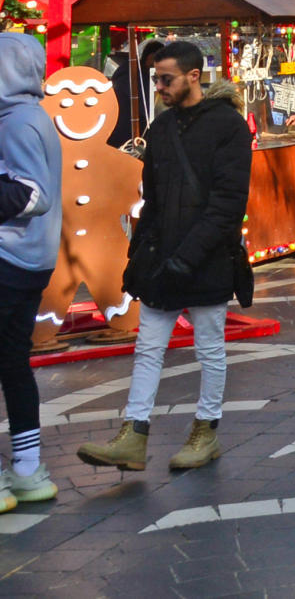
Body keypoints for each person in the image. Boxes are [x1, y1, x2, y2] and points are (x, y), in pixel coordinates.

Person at [78, 40, 253, 475]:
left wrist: (186, 256)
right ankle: (133, 434)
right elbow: (152, 198)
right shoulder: (162, 127)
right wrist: (140, 254)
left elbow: (227, 204)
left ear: (194, 76)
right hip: (162, 257)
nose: (159, 87)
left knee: (209, 347)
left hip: (207, 257)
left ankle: (205, 430)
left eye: (166, 79)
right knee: (148, 347)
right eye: (157, 79)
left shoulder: (227, 126)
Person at [0, 35, 62, 507]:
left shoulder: (14, 122)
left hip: (8, 257)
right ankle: (26, 469)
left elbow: (32, 195)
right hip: (29, 260)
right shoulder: (32, 116)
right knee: (12, 363)